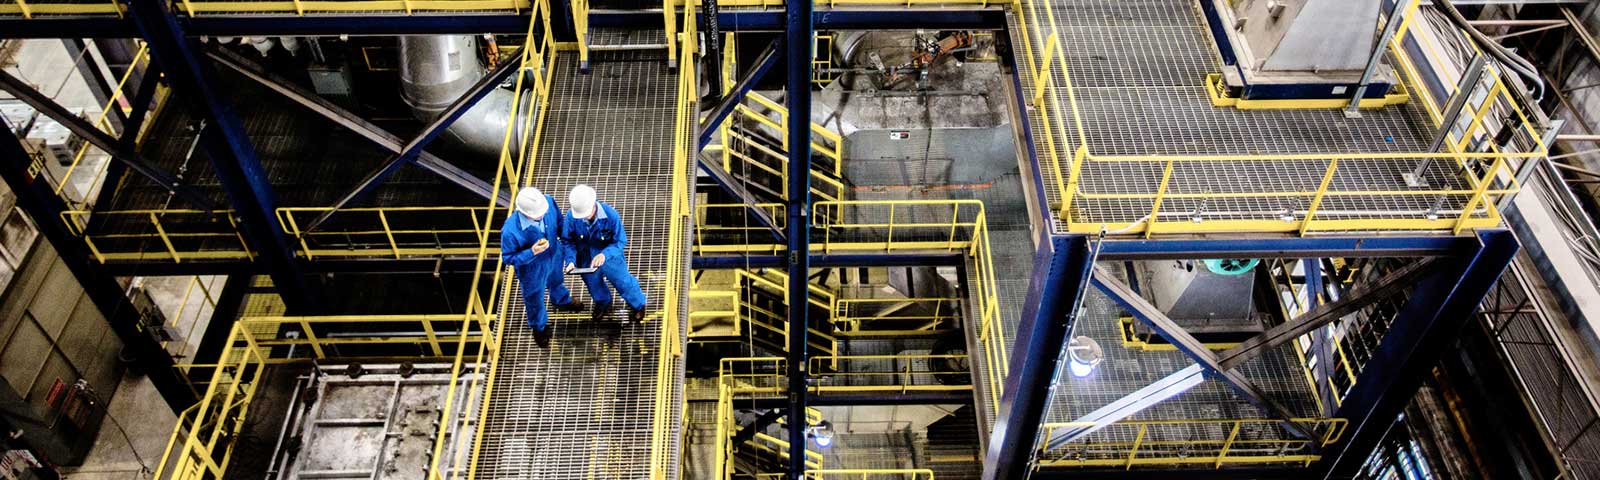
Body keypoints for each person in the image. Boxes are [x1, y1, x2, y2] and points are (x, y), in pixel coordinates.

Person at [501, 187, 584, 347]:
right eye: (535, 215)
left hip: (554, 255)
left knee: (557, 281)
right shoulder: (510, 231)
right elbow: (508, 258)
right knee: (534, 298)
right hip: (532, 269)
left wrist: (570, 253)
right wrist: (531, 252)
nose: (540, 216)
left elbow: (561, 225)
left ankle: (561, 301)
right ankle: (539, 327)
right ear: (523, 212)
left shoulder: (547, 202)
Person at [562, 184, 647, 323]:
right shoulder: (572, 216)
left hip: (610, 257)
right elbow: (567, 241)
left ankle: (638, 304)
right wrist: (570, 260)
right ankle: (603, 303)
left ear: (593, 205)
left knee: (623, 281)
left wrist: (604, 255)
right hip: (586, 257)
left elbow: (620, 241)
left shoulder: (611, 215)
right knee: (593, 283)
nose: (583, 217)